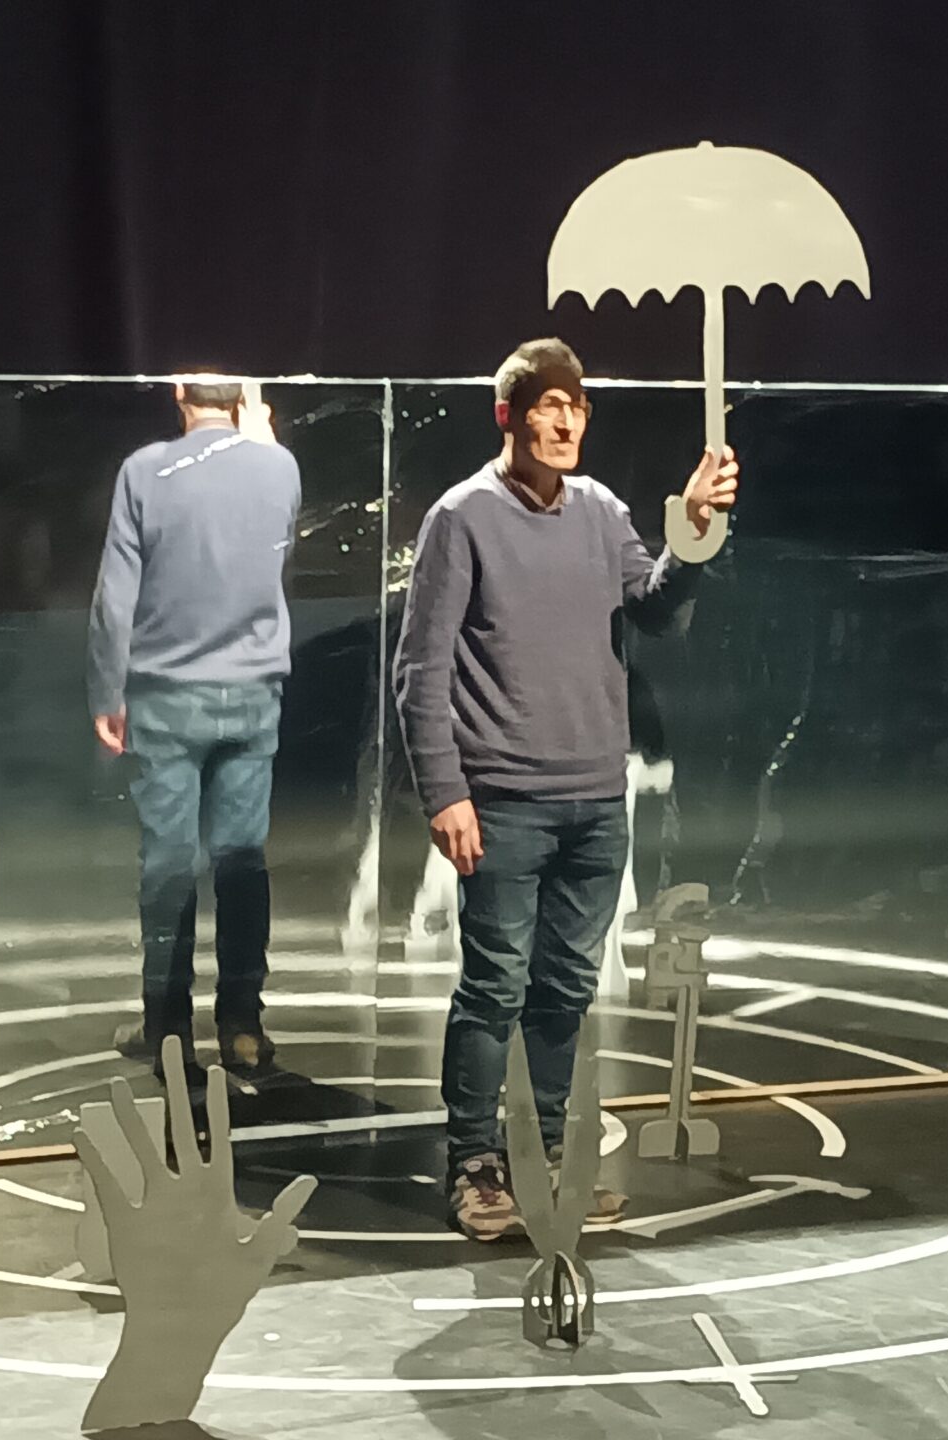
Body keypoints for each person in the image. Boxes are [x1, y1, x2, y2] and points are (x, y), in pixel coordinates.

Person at [395, 338, 740, 1238]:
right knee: (494, 987)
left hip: (595, 801)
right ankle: (476, 1165)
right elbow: (421, 670)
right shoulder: (461, 518)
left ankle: (547, 1156)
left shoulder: (601, 510)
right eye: (547, 405)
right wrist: (445, 792)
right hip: (503, 801)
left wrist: (690, 535)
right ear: (507, 416)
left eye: (576, 407)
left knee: (565, 989)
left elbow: (655, 610)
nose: (564, 421)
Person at [89, 378, 299, 1080]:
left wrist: (106, 690)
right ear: (241, 395)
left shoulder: (143, 471)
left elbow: (116, 596)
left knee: (168, 865)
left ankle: (168, 1028)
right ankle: (242, 1024)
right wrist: (263, 440)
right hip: (253, 692)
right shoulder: (280, 466)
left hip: (166, 698)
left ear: (179, 390)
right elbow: (273, 557)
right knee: (242, 860)